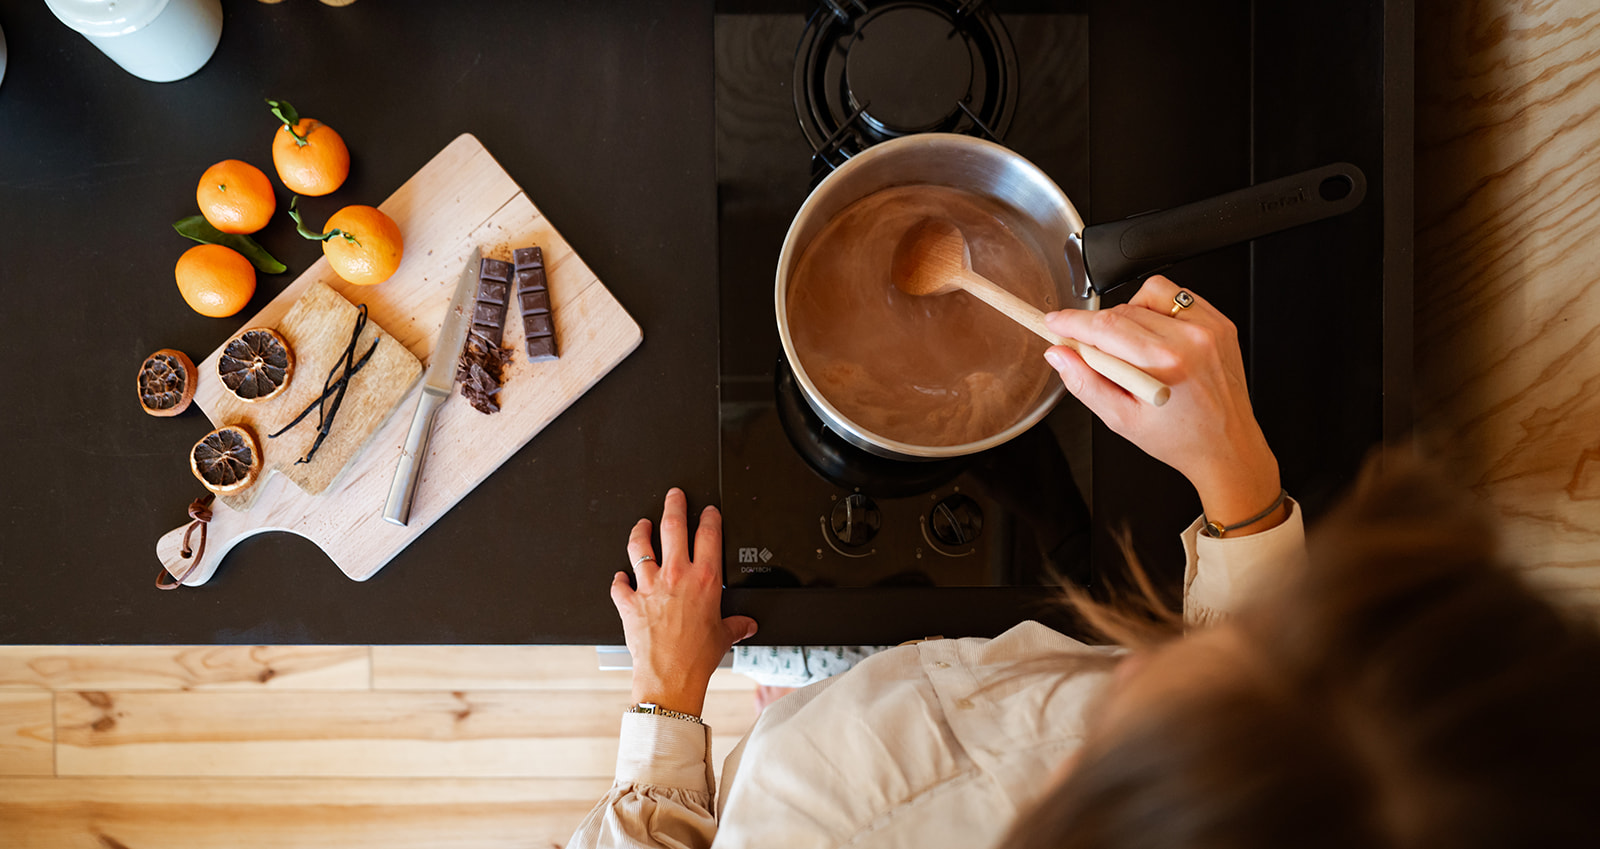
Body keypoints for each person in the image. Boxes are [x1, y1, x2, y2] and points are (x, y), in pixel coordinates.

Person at [568, 276, 1600, 849]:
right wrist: (1236, 478)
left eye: (1162, 707)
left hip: (770, 736)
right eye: (1282, 633)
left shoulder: (798, 830)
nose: (1137, 662)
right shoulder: (1376, 783)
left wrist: (666, 700)